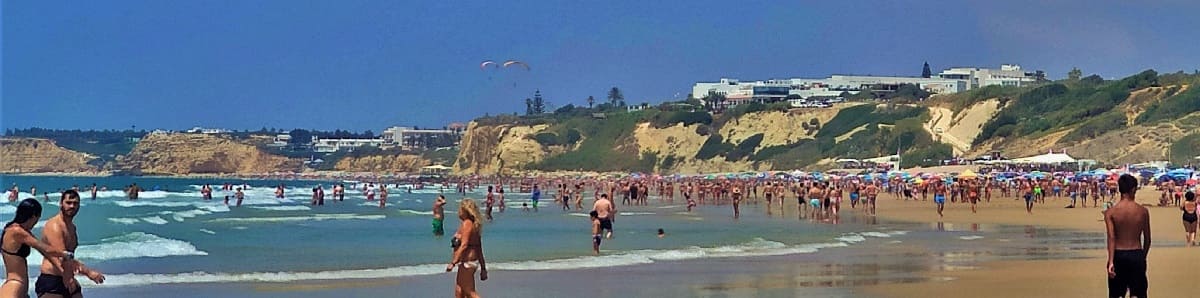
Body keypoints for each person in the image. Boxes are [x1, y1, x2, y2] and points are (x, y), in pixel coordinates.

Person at [37, 190, 105, 297]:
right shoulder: (55, 226)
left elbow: (70, 257)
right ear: (61, 203)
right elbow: (63, 257)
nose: (72, 206)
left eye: (75, 203)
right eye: (68, 202)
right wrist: (88, 272)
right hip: (52, 281)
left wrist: (71, 276)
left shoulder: (72, 227)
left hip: (68, 278)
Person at [1, 199, 67, 298]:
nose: (35, 224)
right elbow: (46, 248)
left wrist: (63, 271)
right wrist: (67, 254)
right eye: (36, 220)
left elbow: (44, 252)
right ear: (32, 216)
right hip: (14, 285)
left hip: (20, 288)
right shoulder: (17, 231)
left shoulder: (20, 231)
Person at [1105, 174, 1150, 298]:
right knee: (1138, 293)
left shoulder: (1111, 212)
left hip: (1118, 255)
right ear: (1133, 189)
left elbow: (1111, 238)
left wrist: (1110, 261)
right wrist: (1143, 256)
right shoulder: (1142, 211)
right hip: (1136, 254)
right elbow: (1147, 238)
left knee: (1117, 294)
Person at [447, 199, 487, 298]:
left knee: (470, 292)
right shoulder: (474, 225)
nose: (458, 212)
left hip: (467, 263)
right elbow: (479, 248)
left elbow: (464, 245)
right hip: (470, 262)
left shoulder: (467, 224)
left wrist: (453, 262)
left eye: (460, 209)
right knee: (460, 290)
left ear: (465, 210)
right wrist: (483, 268)